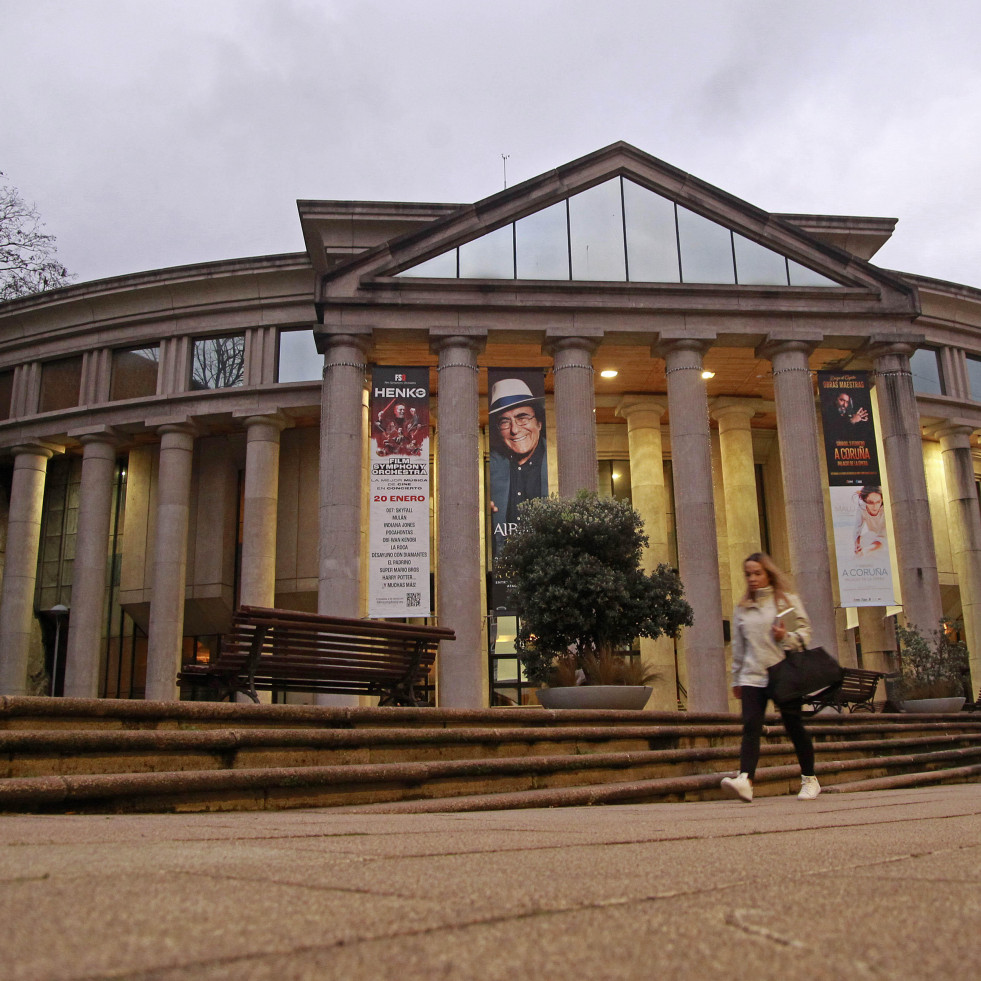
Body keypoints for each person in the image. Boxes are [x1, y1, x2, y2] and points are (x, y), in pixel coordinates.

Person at [721, 552, 821, 802]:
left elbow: (805, 632)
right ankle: (745, 779)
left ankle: (810, 779)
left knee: (794, 726)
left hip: (783, 673)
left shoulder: (785, 600)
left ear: (768, 574)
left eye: (757, 573)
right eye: (748, 574)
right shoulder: (743, 607)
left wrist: (785, 638)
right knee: (750, 727)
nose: (752, 579)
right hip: (752, 677)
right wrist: (736, 678)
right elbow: (739, 646)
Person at [488, 378, 548, 528]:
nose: (514, 430)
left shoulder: (555, 462)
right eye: (504, 422)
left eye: (522, 418)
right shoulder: (492, 467)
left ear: (539, 423)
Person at [853, 486, 886, 555]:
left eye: (878, 502)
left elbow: (883, 536)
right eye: (870, 502)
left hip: (889, 540)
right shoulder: (862, 508)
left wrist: (867, 549)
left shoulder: (886, 510)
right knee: (869, 535)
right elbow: (857, 530)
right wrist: (857, 545)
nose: (875, 507)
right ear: (864, 500)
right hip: (873, 536)